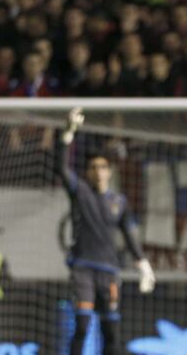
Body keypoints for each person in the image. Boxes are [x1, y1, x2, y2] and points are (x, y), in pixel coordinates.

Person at [57, 108, 156, 355]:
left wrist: (142, 263)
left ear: (109, 172)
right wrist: (67, 135)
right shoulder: (81, 192)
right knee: (81, 325)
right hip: (83, 268)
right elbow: (61, 168)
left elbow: (130, 234)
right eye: (93, 167)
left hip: (110, 271)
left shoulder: (119, 201)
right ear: (88, 172)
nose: (99, 171)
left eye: (103, 167)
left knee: (111, 330)